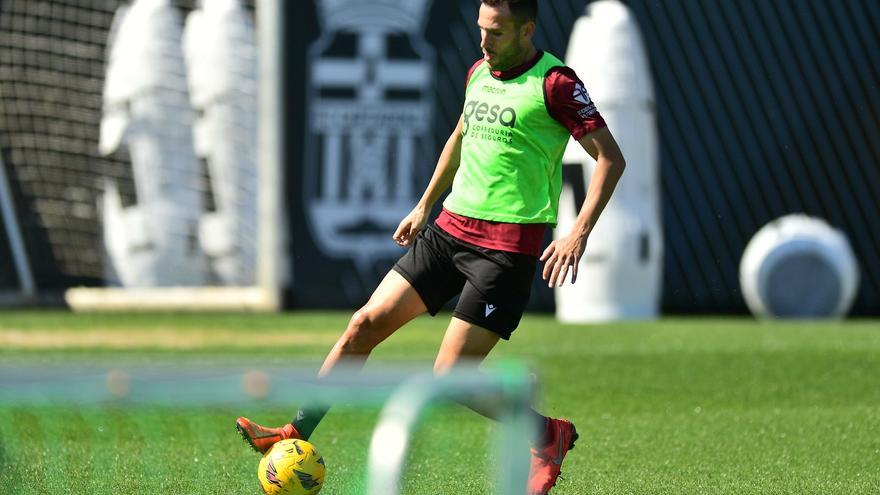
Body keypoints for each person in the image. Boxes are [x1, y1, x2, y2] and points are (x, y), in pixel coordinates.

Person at [237, 0, 625, 492]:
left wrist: (578, 232)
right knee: (362, 325)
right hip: (447, 232)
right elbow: (460, 135)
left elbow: (611, 159)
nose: (484, 42)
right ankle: (295, 430)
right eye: (481, 30)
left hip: (505, 251)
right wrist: (424, 205)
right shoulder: (478, 72)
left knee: (449, 378)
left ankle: (546, 434)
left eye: (498, 33)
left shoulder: (557, 85)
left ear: (527, 29)